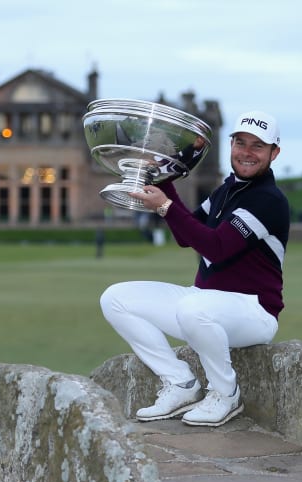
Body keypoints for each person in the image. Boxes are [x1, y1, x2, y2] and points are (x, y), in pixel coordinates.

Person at [100, 110, 289, 427]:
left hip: (254, 312)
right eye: (241, 142)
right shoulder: (225, 191)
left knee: (192, 307)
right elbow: (186, 235)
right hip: (206, 304)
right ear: (231, 145)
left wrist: (164, 205)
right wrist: (164, 178)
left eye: (258, 146)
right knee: (115, 298)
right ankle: (180, 384)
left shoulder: (268, 199)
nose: (247, 152)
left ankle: (226, 395)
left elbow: (216, 247)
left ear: (274, 153)